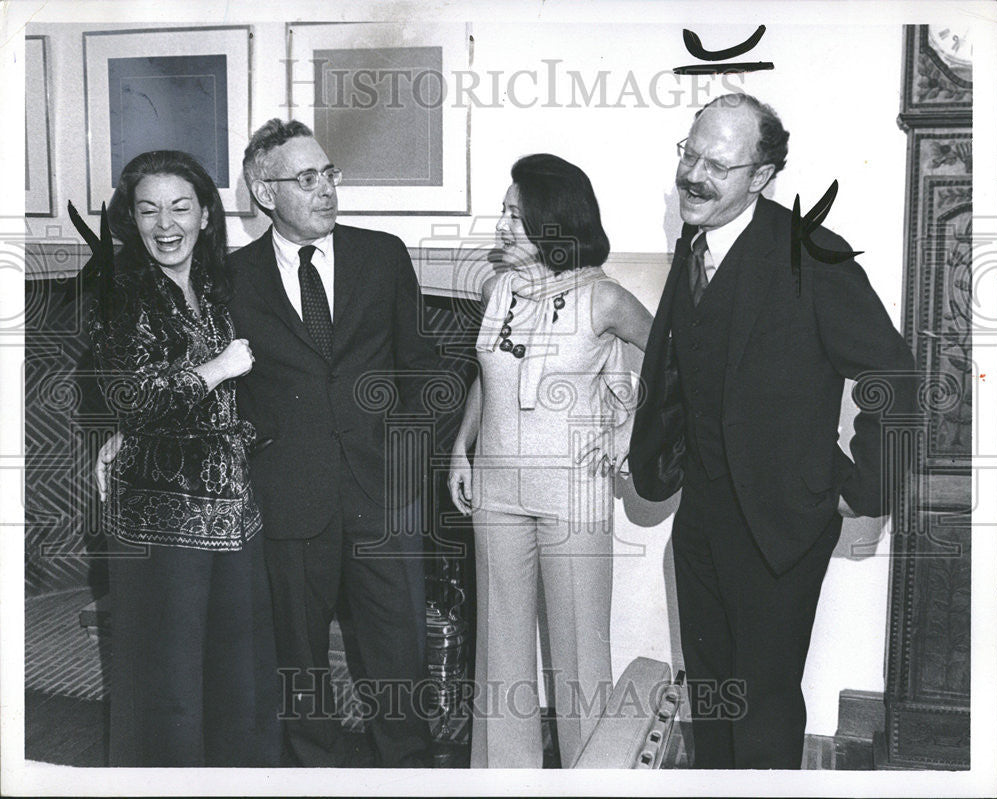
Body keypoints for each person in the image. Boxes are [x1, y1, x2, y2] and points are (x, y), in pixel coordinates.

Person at [97, 120, 439, 767]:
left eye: (329, 173)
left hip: (382, 505)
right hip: (286, 505)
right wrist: (124, 429)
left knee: (400, 673)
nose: (326, 189)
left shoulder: (384, 255)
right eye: (306, 179)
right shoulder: (229, 279)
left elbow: (422, 370)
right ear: (263, 191)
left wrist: (410, 469)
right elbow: (194, 368)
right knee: (300, 678)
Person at [628, 94, 916, 768]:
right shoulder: (692, 246)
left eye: (717, 165)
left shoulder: (811, 253)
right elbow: (681, 366)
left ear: (761, 177)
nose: (692, 174)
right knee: (713, 698)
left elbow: (893, 373)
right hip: (697, 521)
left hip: (781, 527)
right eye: (688, 154)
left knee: (762, 705)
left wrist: (862, 486)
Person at [448, 154, 652, 768]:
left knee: (579, 658)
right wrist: (462, 446)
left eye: (518, 214)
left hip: (574, 495)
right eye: (506, 211)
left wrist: (629, 433)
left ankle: (591, 777)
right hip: (495, 490)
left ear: (554, 223)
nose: (504, 224)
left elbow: (679, 363)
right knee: (499, 652)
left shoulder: (604, 298)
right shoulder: (495, 289)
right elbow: (490, 374)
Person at [86, 150, 280, 766]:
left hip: (232, 516)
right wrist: (215, 370)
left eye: (179, 207)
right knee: (165, 688)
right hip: (159, 522)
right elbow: (128, 394)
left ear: (203, 215)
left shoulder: (217, 282)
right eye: (148, 209)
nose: (164, 224)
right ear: (131, 218)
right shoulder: (119, 291)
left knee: (237, 680)